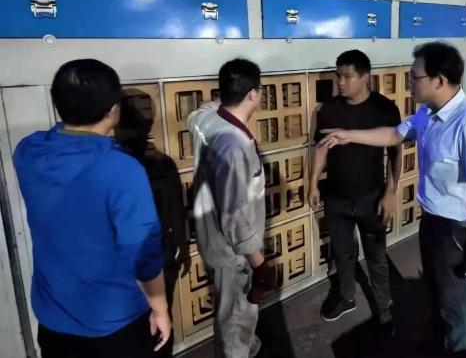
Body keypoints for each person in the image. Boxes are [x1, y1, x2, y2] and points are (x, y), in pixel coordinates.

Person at [320, 42, 466, 356]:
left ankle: (460, 351)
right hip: (432, 222)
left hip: (458, 231)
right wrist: (348, 135)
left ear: (439, 80)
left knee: (456, 304)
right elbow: (394, 135)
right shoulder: (428, 114)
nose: (409, 82)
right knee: (435, 294)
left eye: (414, 77)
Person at [13, 59, 171, 358]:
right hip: (114, 324)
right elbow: (144, 253)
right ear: (113, 111)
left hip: (53, 319)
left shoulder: (27, 151)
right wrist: (160, 308)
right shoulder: (122, 169)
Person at [188, 58, 277, 358]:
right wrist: (259, 264)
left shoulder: (205, 121)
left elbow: (197, 112)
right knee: (235, 321)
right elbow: (236, 218)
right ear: (253, 94)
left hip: (210, 238)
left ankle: (249, 348)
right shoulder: (234, 146)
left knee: (233, 314)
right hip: (233, 252)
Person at [308, 50, 402, 332]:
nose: (340, 82)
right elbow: (321, 148)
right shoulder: (328, 110)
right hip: (336, 198)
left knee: (376, 256)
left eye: (347, 76)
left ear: (365, 77)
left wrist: (390, 192)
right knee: (343, 253)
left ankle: (384, 307)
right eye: (338, 76)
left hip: (371, 198)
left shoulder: (384, 109)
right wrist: (313, 182)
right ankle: (347, 297)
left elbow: (395, 152)